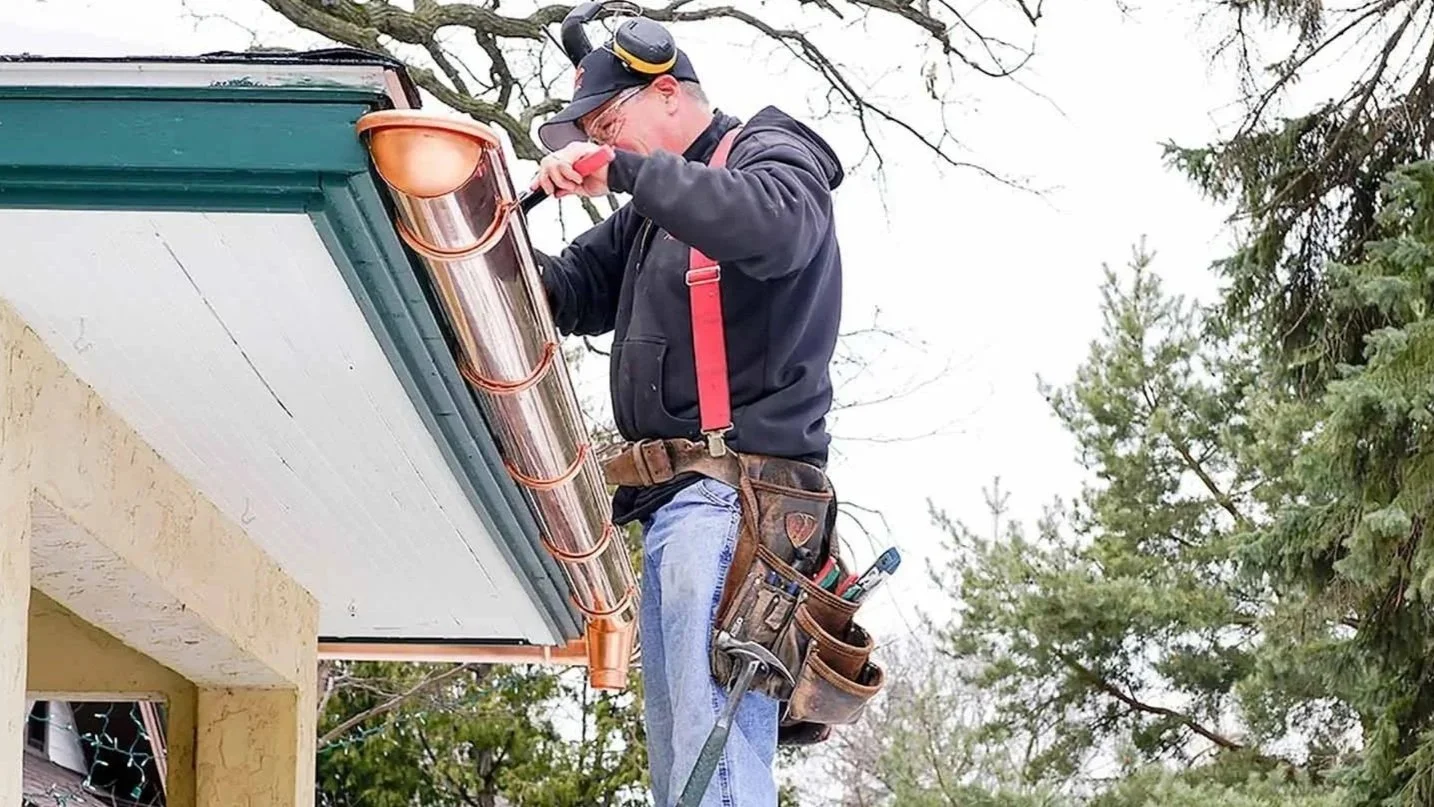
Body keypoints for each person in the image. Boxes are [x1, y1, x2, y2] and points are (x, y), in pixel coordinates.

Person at [531, 26, 845, 807]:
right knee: (687, 770)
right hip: (678, 509)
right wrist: (475, 226)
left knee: (717, 763)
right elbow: (568, 290)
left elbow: (778, 226)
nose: (603, 146)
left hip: (731, 503)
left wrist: (628, 170)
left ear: (668, 93)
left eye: (609, 125)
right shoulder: (650, 215)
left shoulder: (767, 150)